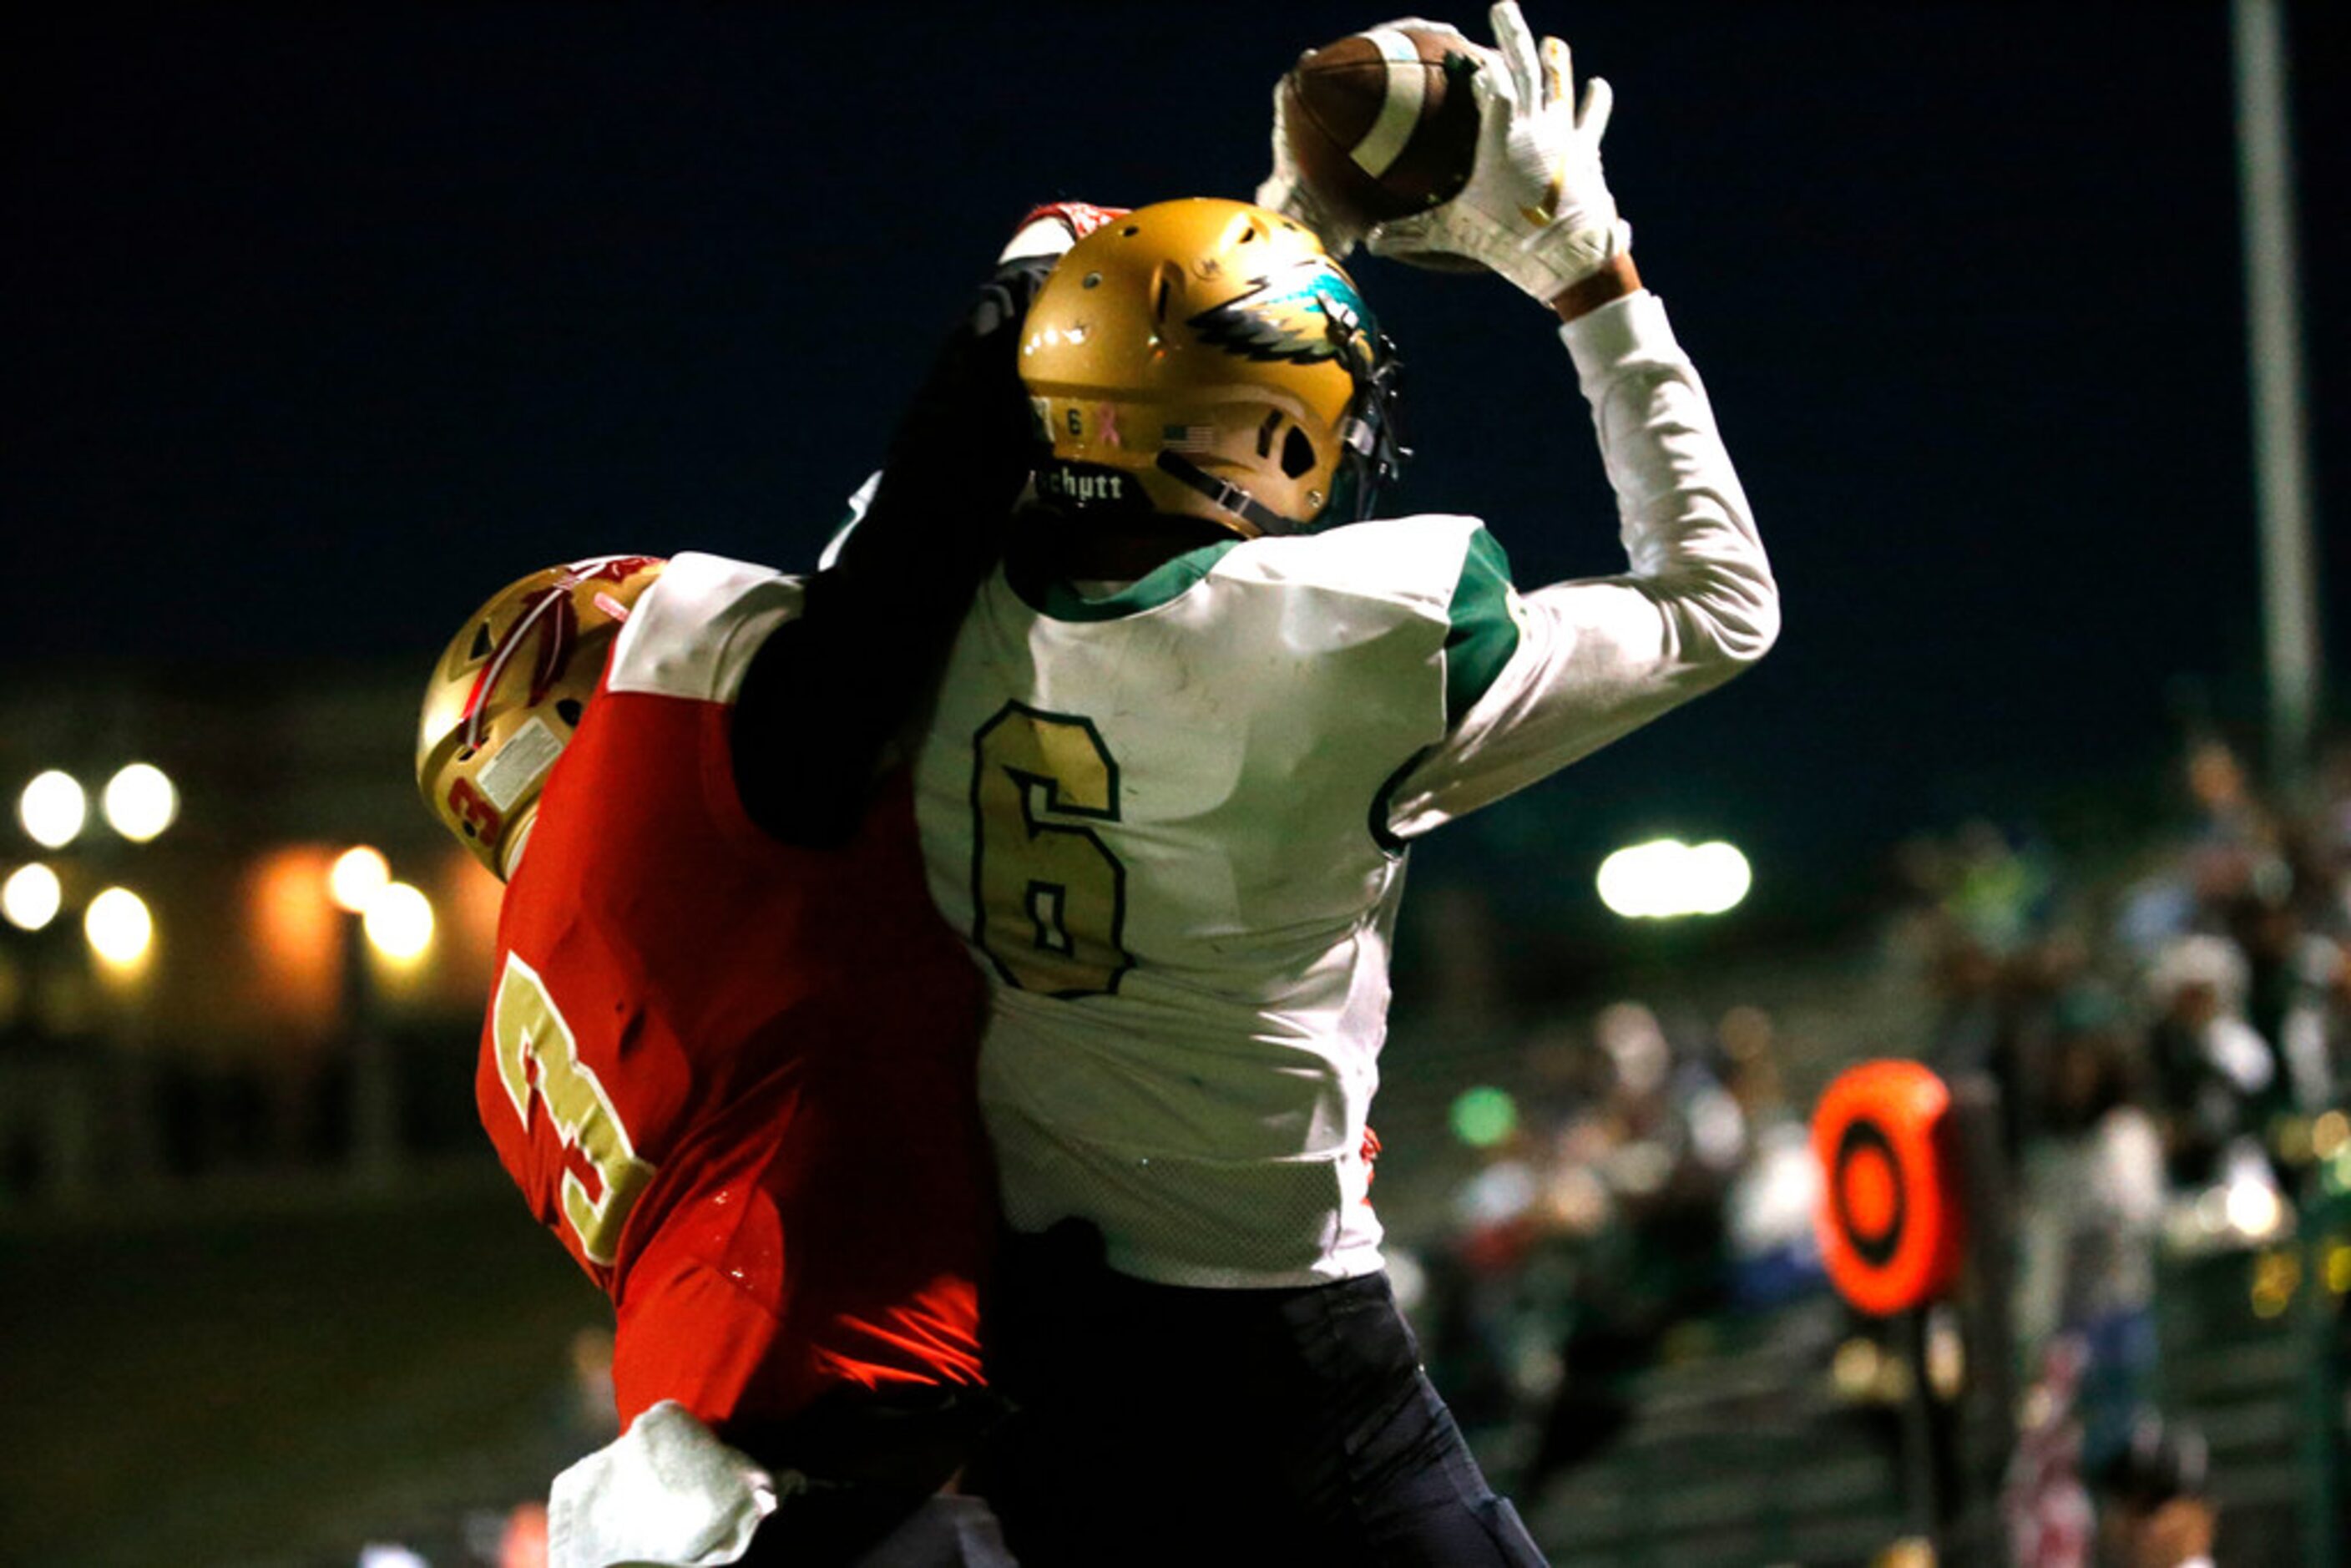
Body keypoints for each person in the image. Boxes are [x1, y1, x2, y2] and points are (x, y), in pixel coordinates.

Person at [910, 7, 1777, 1562]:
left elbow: (1115, 416)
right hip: (1288, 1344)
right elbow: (1719, 604)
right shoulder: (1358, 638)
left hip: (1032, 1346)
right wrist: (1591, 271)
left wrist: (1288, 225)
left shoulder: (912, 609)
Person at [412, 204, 1123, 1568]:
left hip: (733, 1463)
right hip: (855, 1465)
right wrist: (1018, 306)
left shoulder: (521, 1020)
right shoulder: (655, 797)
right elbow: (888, 593)